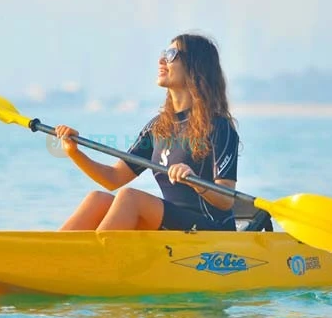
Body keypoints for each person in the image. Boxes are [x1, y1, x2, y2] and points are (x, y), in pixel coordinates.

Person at [55, 33, 239, 231]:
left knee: (130, 198)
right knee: (97, 199)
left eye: (172, 54)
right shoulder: (158, 128)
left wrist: (196, 181)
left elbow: (226, 199)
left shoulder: (219, 126)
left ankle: (97, 259)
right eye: (163, 54)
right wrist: (74, 152)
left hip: (212, 231)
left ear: (195, 67)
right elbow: (113, 178)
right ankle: (48, 257)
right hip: (172, 228)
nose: (161, 60)